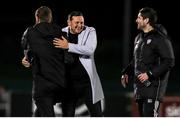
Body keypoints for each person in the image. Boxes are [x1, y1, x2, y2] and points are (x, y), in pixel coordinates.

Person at [121, 7, 175, 117]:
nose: (136, 20)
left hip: (153, 88)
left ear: (146, 20)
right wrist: (126, 72)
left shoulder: (160, 39)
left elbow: (169, 61)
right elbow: (136, 60)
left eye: (139, 18)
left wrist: (150, 74)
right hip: (140, 89)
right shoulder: (138, 38)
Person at [53, 11, 104, 116]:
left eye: (82, 22)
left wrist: (68, 46)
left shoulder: (90, 31)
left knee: (97, 114)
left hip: (87, 84)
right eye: (77, 22)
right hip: (69, 84)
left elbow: (90, 49)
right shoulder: (60, 32)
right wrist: (29, 59)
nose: (80, 25)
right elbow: (48, 51)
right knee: (67, 115)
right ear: (69, 22)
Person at [21, 6, 69, 117]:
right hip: (61, 84)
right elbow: (69, 58)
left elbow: (26, 49)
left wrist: (27, 58)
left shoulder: (30, 32)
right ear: (50, 17)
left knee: (46, 111)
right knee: (41, 111)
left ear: (37, 17)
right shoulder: (61, 33)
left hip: (43, 86)